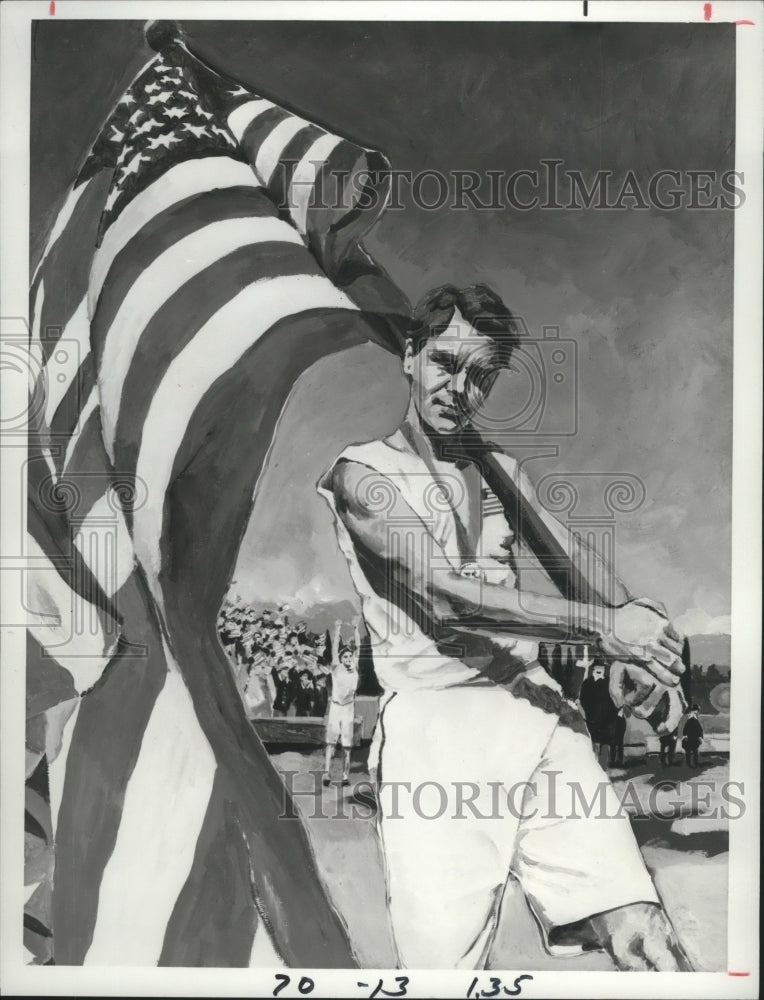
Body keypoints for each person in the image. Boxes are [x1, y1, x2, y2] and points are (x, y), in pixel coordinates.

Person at [318, 283, 690, 970]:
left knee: (645, 935)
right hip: (436, 741)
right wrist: (604, 630)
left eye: (481, 376)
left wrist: (645, 648)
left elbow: (576, 565)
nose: (460, 387)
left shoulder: (499, 469)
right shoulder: (361, 474)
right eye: (446, 363)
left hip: (539, 717)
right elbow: (449, 599)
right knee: (443, 974)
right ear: (409, 355)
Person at [320, 618, 360, 787]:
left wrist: (356, 628)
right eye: (345, 656)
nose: (348, 658)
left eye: (349, 656)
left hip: (348, 708)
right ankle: (327, 773)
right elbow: (335, 647)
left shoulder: (355, 665)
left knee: (347, 746)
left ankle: (345, 776)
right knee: (330, 743)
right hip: (336, 708)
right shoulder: (336, 667)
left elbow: (358, 646)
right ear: (341, 658)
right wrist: (337, 629)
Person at [579, 662, 618, 757]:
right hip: (592, 717)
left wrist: (614, 712)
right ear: (593, 669)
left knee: (606, 742)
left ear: (604, 670)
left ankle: (603, 766)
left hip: (608, 717)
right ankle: (594, 763)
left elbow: (615, 697)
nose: (599, 669)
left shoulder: (609, 682)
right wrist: (588, 712)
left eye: (601, 667)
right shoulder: (587, 682)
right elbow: (583, 699)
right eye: (597, 667)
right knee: (594, 741)